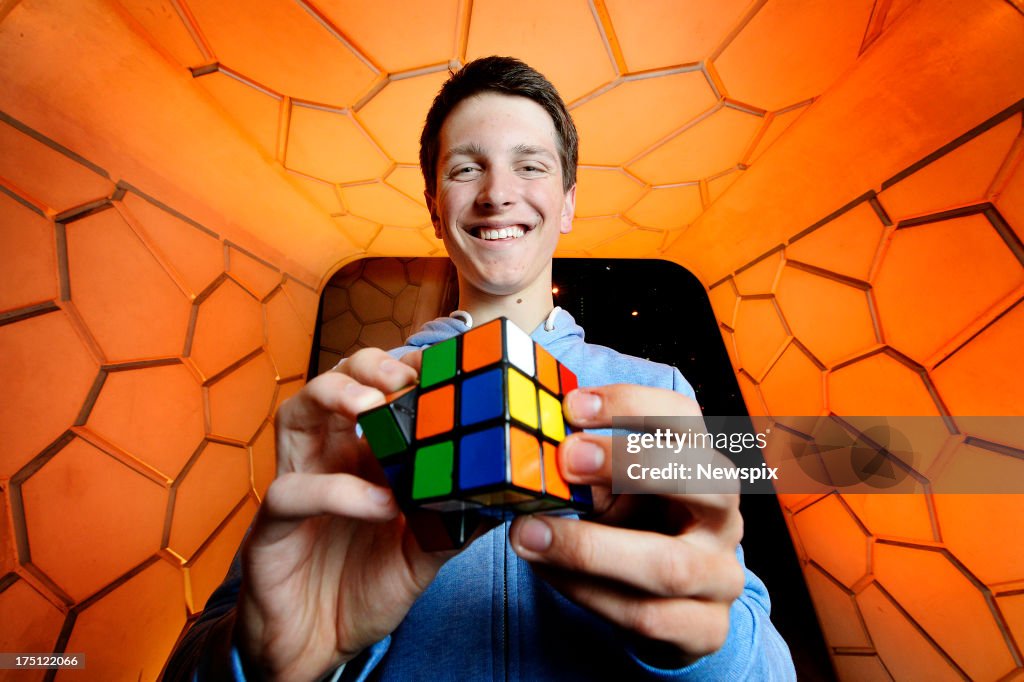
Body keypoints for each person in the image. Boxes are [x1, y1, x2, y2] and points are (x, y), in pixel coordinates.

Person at [165, 56, 795, 681]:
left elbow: (768, 665)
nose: (497, 193)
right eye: (467, 169)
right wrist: (265, 666)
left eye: (531, 166)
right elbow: (197, 660)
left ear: (568, 203)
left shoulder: (658, 392)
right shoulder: (357, 400)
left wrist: (701, 650)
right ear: (435, 208)